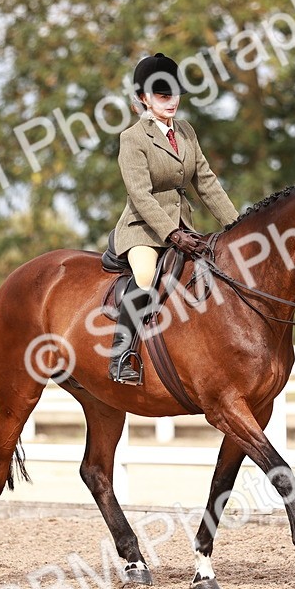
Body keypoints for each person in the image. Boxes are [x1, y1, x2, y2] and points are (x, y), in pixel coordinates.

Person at [108, 52, 240, 384]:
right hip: (142, 230)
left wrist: (237, 226)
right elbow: (140, 194)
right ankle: (122, 355)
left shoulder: (186, 132)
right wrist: (171, 233)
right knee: (145, 276)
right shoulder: (132, 138)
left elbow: (206, 182)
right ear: (143, 98)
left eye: (175, 93)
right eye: (163, 95)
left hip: (184, 228)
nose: (172, 101)